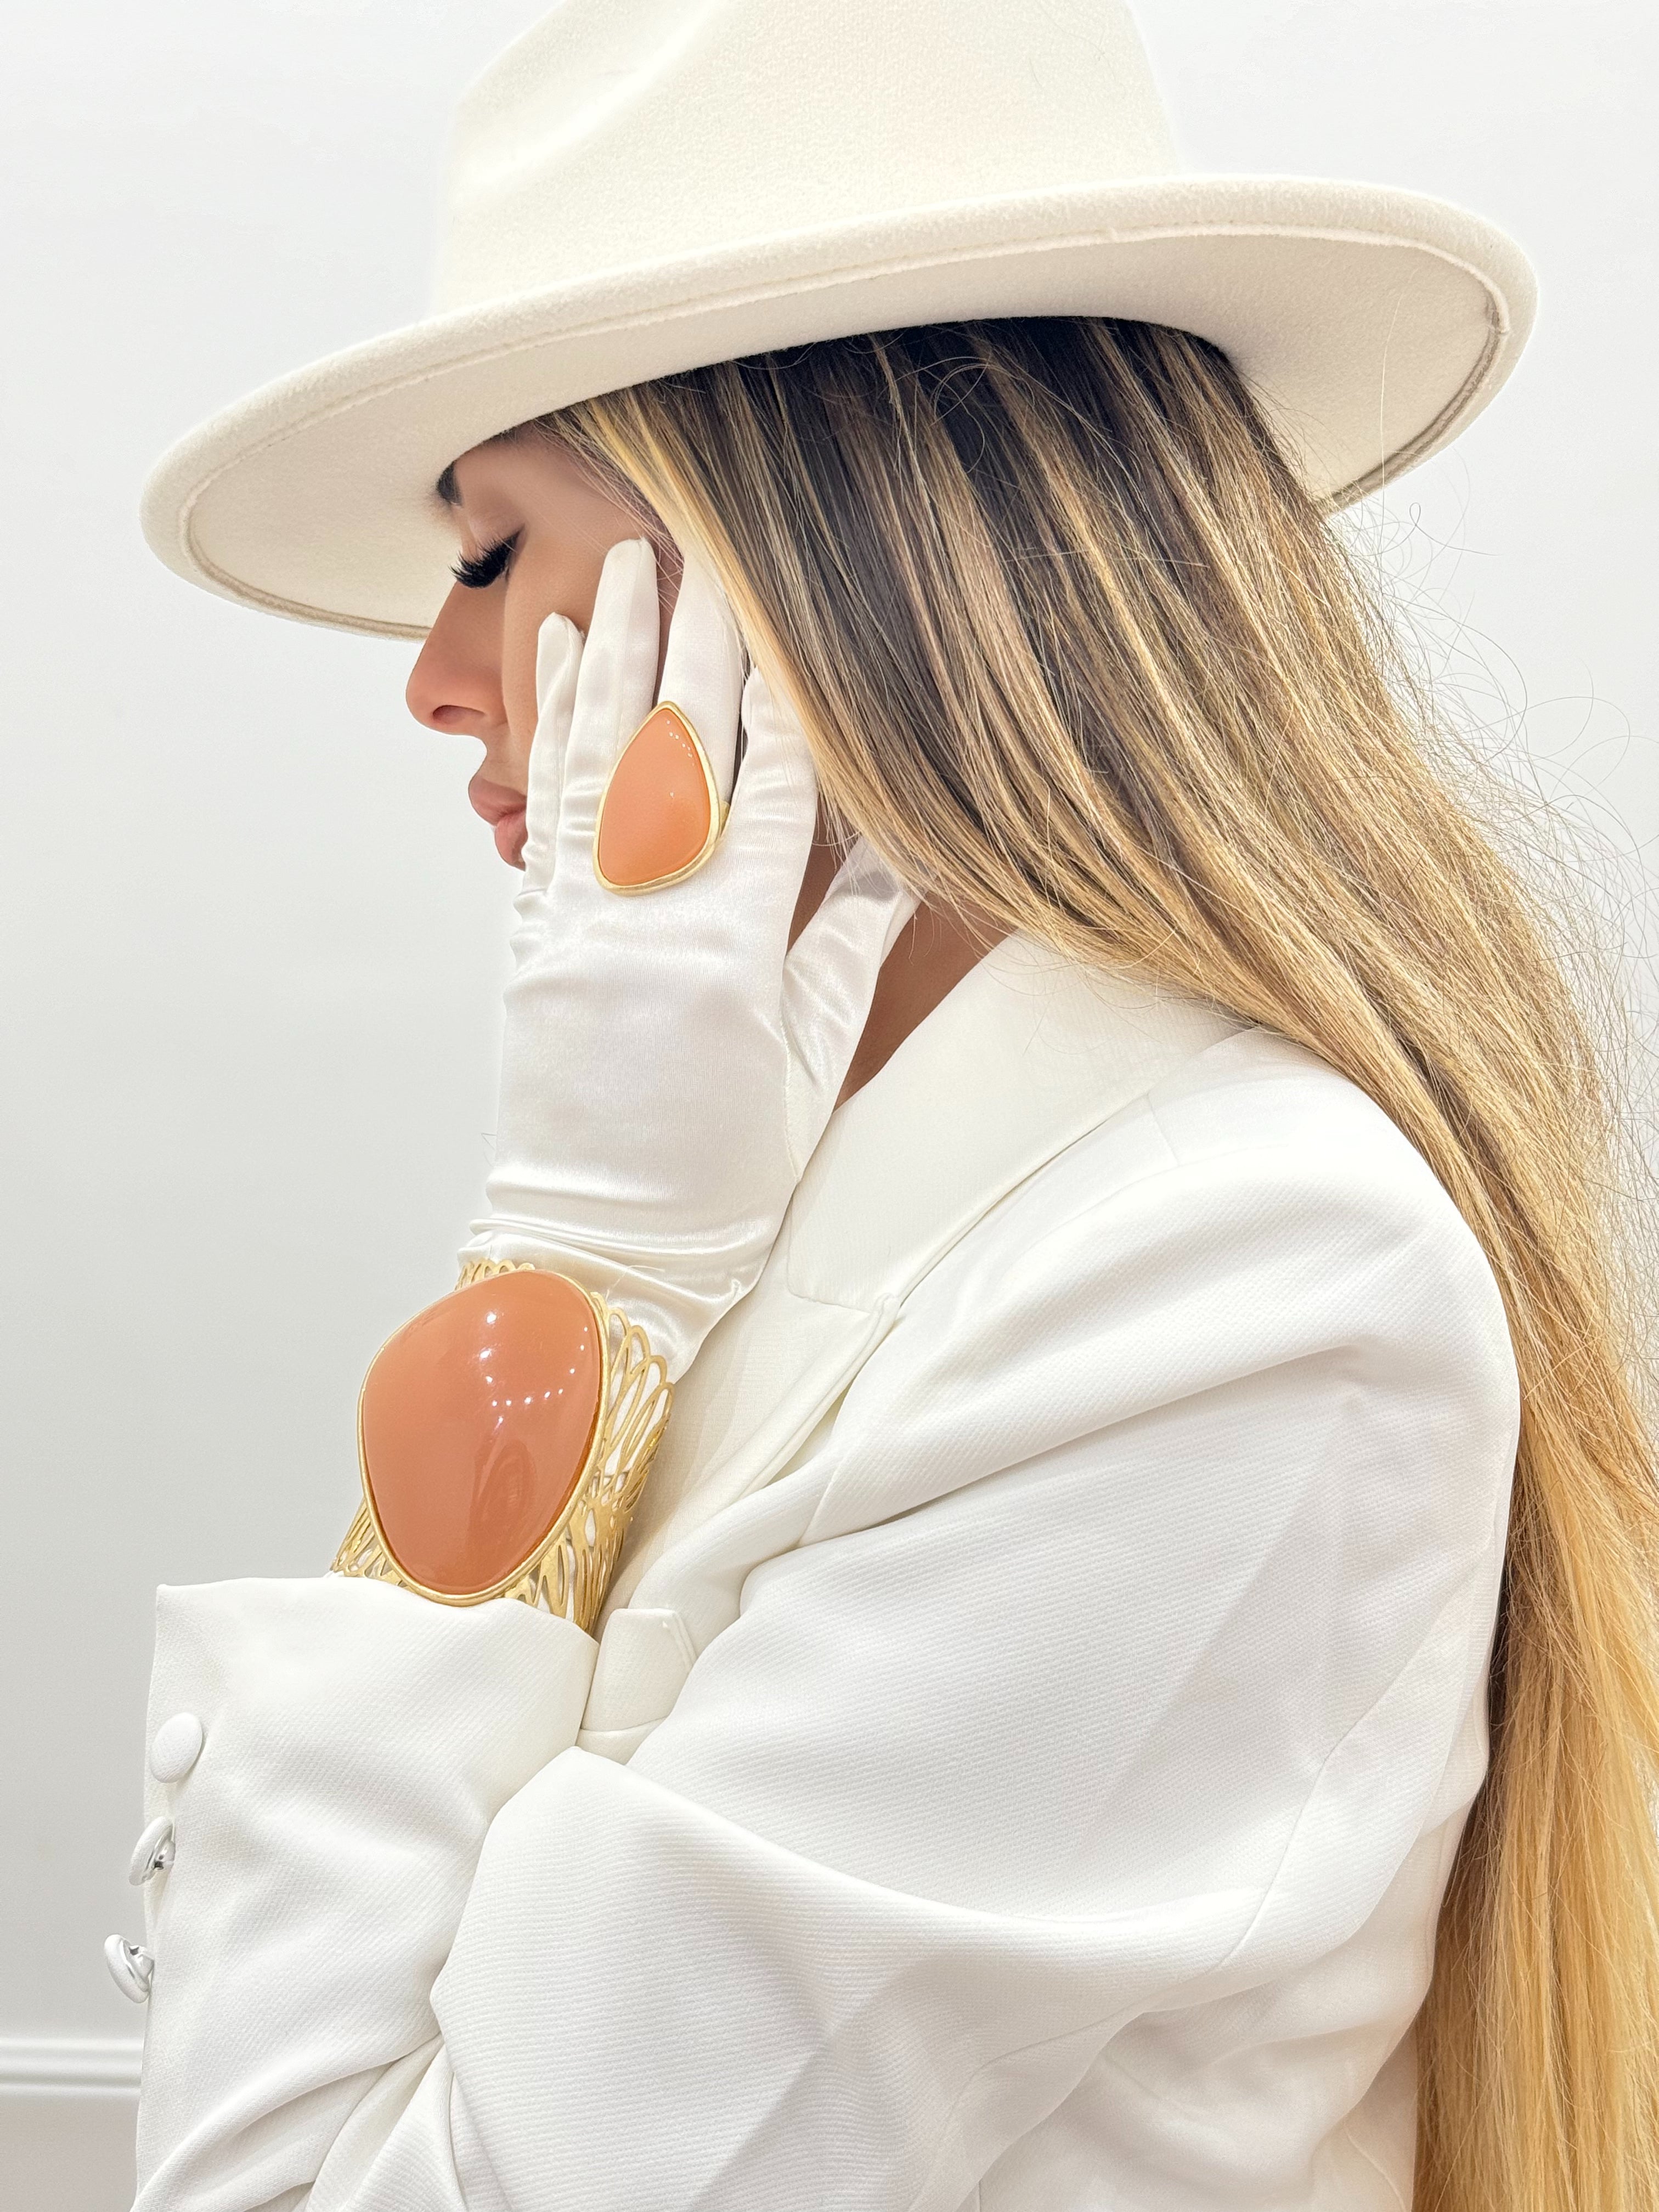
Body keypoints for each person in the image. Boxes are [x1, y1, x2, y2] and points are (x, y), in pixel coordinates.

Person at [118, 3, 1659, 2207]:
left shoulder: (1233, 1278)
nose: (433, 680)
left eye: (485, 554)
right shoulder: (838, 1193)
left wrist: (567, 1266)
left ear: (807, 574)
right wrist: (619, 1258)